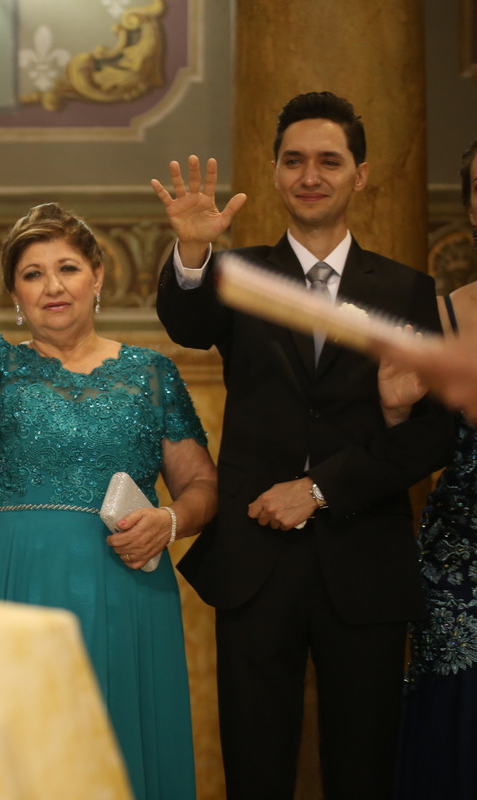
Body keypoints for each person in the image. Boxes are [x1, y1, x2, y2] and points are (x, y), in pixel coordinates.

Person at [150, 91, 455, 799]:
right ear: (277, 170)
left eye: (328, 160)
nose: (309, 174)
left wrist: (319, 490)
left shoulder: (408, 290)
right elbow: (189, 324)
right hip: (256, 560)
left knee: (364, 765)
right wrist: (194, 249)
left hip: (366, 560)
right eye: (293, 161)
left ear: (360, 174)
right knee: (255, 765)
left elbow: (434, 434)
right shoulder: (236, 274)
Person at [0, 202, 218, 800]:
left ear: (98, 275)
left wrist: (171, 520)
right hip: (14, 580)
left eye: (68, 268)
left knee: (118, 740)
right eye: (32, 274)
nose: (52, 286)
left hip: (125, 582)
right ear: (15, 293)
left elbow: (203, 487)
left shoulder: (152, 373)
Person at [392, 124, 477, 799]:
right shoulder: (437, 319)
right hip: (458, 586)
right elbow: (393, 458)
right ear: (470, 207)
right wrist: (394, 411)